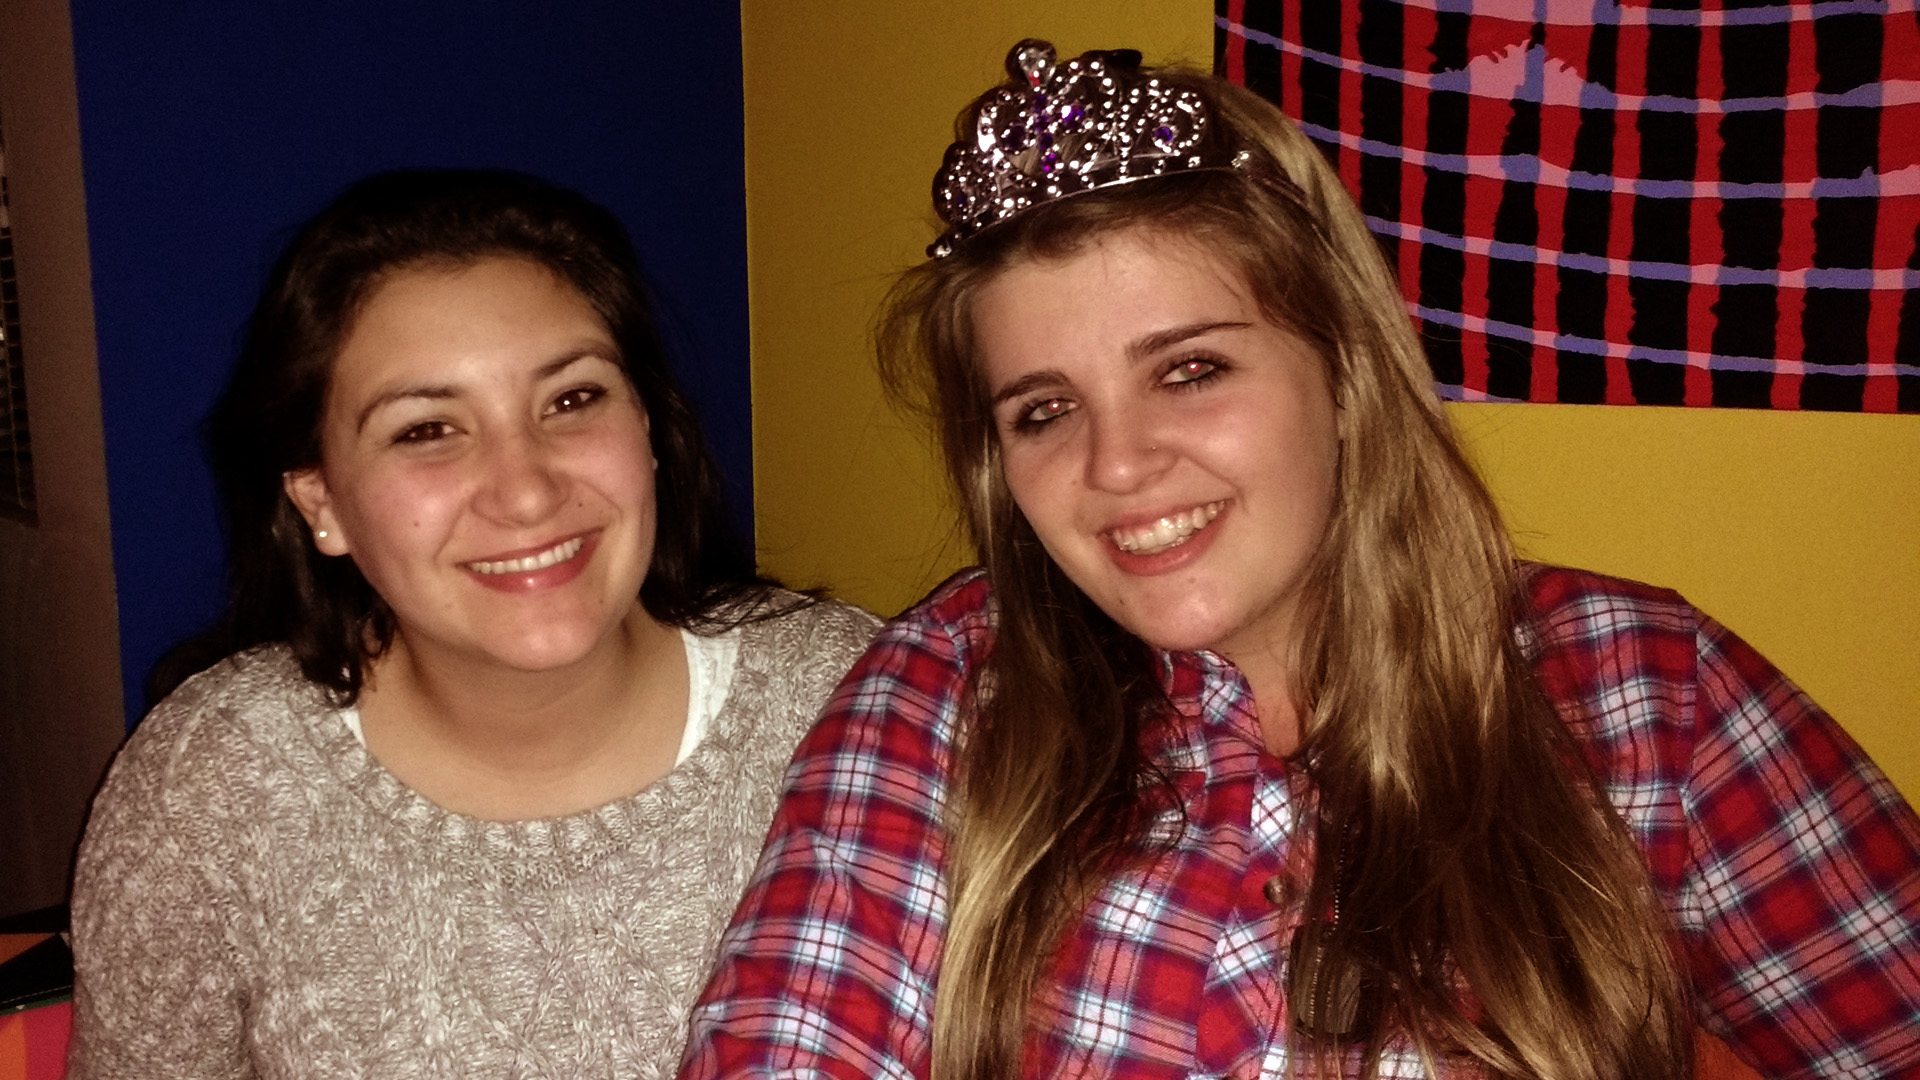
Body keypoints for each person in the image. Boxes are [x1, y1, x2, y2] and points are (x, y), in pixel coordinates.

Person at [678, 43, 1920, 1080]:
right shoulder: (946, 693)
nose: (1118, 467)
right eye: (1044, 411)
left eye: (1190, 369)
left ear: (1343, 377)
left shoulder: (1647, 691)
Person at [66, 169, 878, 1080]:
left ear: (647, 428)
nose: (527, 490)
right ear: (320, 500)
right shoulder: (210, 792)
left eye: (572, 400)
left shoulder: (858, 703)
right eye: (426, 430)